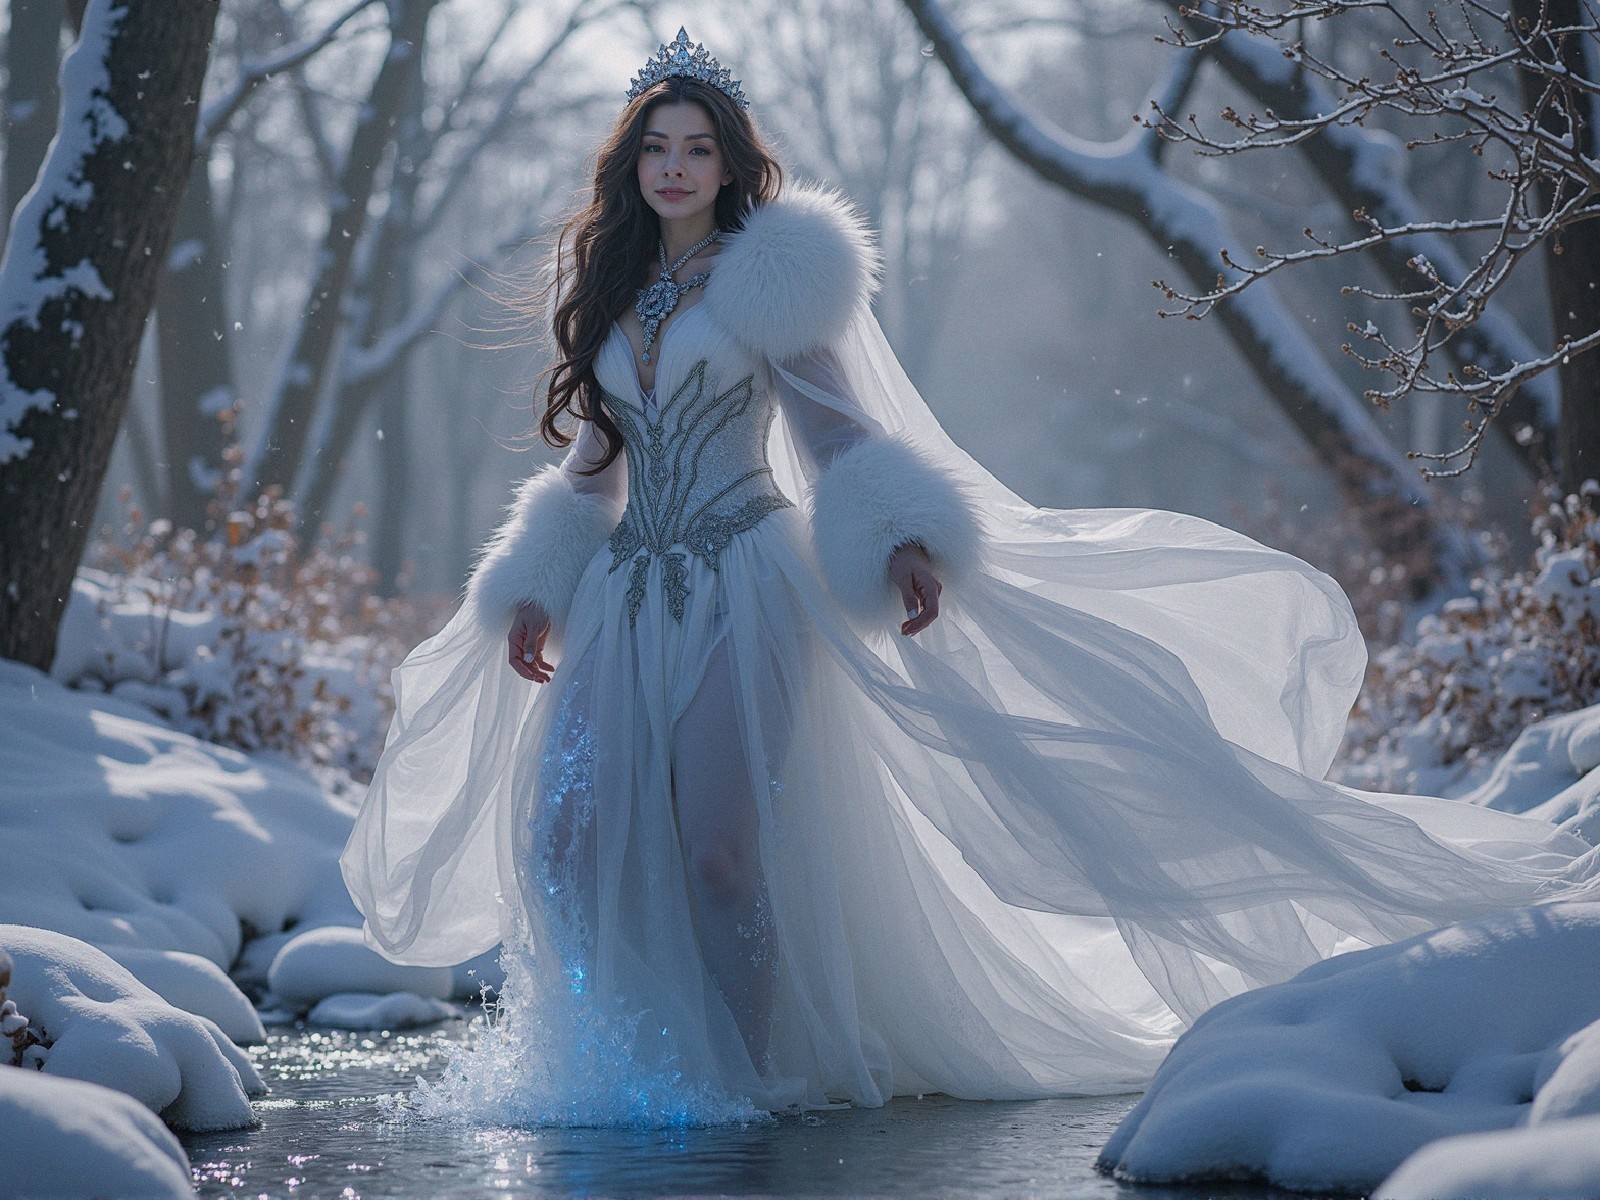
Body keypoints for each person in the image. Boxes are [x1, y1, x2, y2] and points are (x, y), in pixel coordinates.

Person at [341, 29, 1596, 1123]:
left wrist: (899, 540)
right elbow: (591, 469)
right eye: (657, 148)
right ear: (631, 164)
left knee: (721, 850)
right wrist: (535, 586)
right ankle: (610, 1066)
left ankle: (743, 1083)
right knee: (568, 843)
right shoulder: (608, 288)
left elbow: (836, 438)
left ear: (728, 166)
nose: (675, 167)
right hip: (622, 594)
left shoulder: (773, 278)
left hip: (745, 581)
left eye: (697, 149)